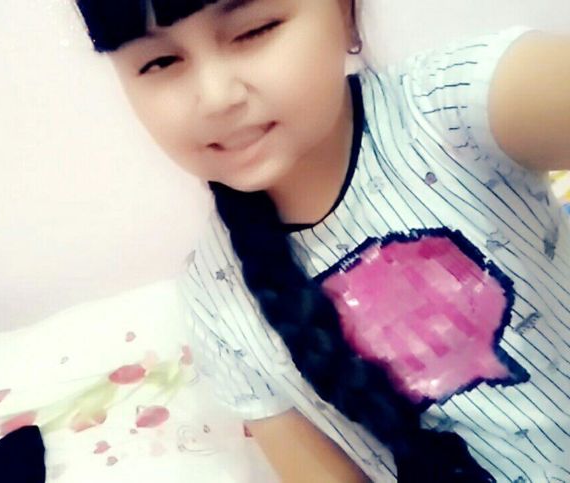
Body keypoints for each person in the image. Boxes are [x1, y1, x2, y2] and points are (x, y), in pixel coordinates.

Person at [74, 1, 570, 481]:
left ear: (344, 12)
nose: (216, 96)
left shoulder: (450, 110)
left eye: (253, 30)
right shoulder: (216, 300)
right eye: (160, 62)